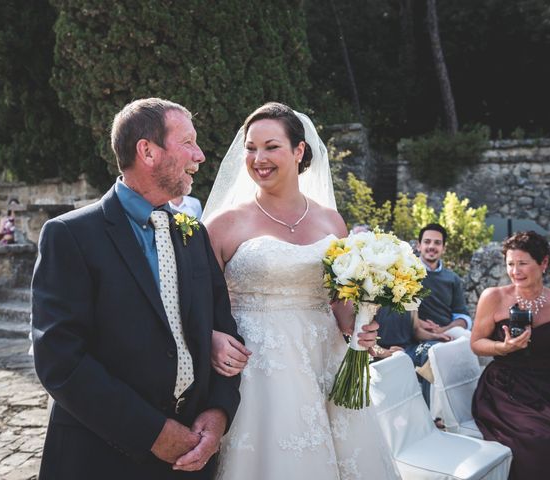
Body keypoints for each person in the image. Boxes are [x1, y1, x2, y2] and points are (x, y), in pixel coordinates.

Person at [32, 98, 242, 479]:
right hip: (101, 456)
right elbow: (59, 359)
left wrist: (217, 413)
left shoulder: (192, 234)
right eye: (188, 142)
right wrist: (152, 432)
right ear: (147, 150)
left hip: (191, 458)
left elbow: (223, 328)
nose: (200, 155)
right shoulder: (71, 235)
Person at [203, 102, 400, 479]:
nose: (258, 158)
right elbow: (198, 303)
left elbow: (338, 302)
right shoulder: (223, 224)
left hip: (325, 359)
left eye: (271, 146)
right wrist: (211, 336)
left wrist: (360, 325)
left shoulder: (330, 220)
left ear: (299, 151)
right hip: (258, 369)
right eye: (251, 147)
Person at [471, 231, 550, 480]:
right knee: (543, 440)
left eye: (523, 263)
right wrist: (503, 348)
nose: (515, 271)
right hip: (504, 389)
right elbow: (476, 343)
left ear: (543, 263)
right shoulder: (493, 297)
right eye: (510, 264)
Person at [416, 223, 472, 335]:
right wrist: (421, 324)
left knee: (469, 340)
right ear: (419, 246)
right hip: (416, 332)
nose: (432, 246)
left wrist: (443, 330)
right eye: (427, 242)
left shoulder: (452, 278)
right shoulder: (406, 273)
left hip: (447, 332)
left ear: (443, 248)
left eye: (437, 243)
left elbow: (463, 316)